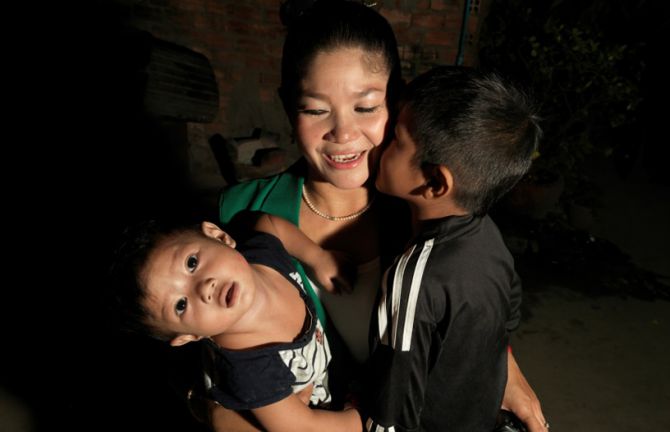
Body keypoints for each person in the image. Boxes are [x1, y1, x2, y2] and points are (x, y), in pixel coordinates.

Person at [204, 1, 547, 430]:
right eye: (315, 109)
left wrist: (505, 367)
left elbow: (474, 308)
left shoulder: (437, 213)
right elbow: (190, 352)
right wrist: (217, 413)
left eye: (365, 107)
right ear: (288, 106)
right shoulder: (239, 212)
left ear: (398, 104)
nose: (343, 133)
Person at [363, 65, 542, 431]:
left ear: (434, 181)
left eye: (396, 139)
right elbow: (507, 316)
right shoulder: (487, 234)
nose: (380, 141)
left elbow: (394, 410)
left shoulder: (413, 276)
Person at [108, 212, 362, 432]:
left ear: (219, 236)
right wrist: (365, 420)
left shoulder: (261, 255)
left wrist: (317, 256)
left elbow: (269, 224)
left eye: (192, 263)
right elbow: (302, 427)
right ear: (190, 336)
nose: (204, 289)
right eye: (181, 305)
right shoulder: (250, 370)